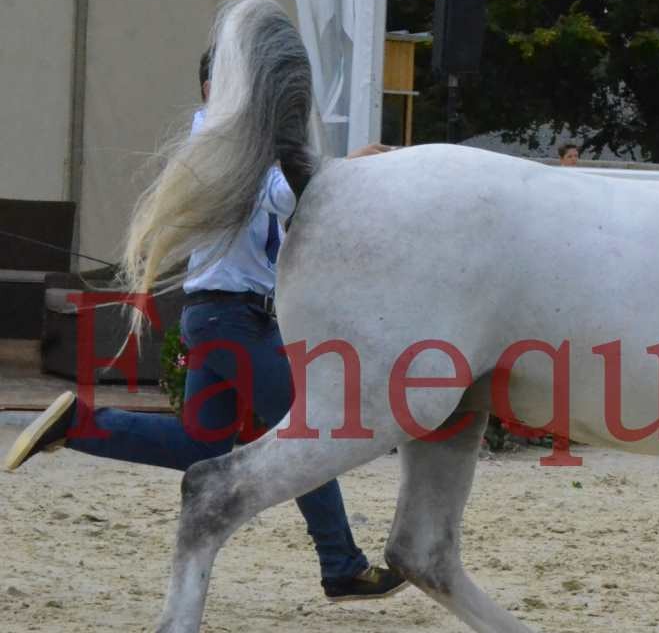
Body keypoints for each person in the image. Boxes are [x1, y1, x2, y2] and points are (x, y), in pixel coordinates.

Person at [4, 49, 406, 602]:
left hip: (215, 316)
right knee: (306, 431)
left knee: (201, 440)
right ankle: (340, 563)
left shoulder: (228, 142)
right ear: (216, 87)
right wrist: (351, 166)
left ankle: (79, 424)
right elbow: (286, 194)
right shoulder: (227, 146)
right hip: (232, 318)